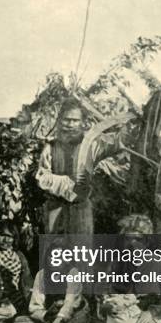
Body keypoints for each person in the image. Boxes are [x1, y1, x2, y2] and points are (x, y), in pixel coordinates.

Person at [36, 98, 127, 235]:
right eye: (66, 120)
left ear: (83, 123)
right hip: (56, 208)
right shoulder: (51, 147)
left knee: (80, 251)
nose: (70, 125)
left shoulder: (92, 145)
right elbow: (42, 177)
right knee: (54, 250)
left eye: (75, 120)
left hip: (81, 210)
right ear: (60, 121)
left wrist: (122, 125)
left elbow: (117, 142)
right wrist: (67, 185)